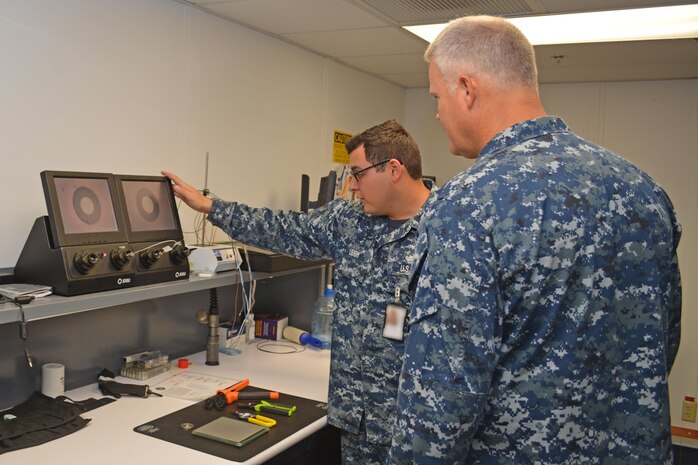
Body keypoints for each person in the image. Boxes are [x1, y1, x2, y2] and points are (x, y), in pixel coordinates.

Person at [389, 16, 682, 465]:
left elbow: (442, 397)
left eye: (437, 96)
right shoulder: (643, 191)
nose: (437, 112)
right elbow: (660, 343)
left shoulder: (467, 203)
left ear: (466, 89)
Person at [162, 119, 434, 464]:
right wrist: (212, 208)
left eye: (358, 174)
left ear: (393, 169)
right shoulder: (350, 221)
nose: (351, 186)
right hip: (356, 419)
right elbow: (282, 228)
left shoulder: (446, 230)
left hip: (417, 428)